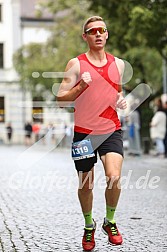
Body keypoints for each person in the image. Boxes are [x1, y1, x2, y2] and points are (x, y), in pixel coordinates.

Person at [57, 16, 127, 251]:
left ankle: (110, 221)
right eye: (92, 31)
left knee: (114, 176)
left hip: (110, 129)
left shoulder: (118, 64)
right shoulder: (75, 64)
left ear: (107, 34)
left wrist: (120, 99)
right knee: (86, 184)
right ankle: (89, 226)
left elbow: (116, 91)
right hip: (84, 134)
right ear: (85, 36)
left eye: (102, 30)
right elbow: (60, 99)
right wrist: (80, 87)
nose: (98, 34)